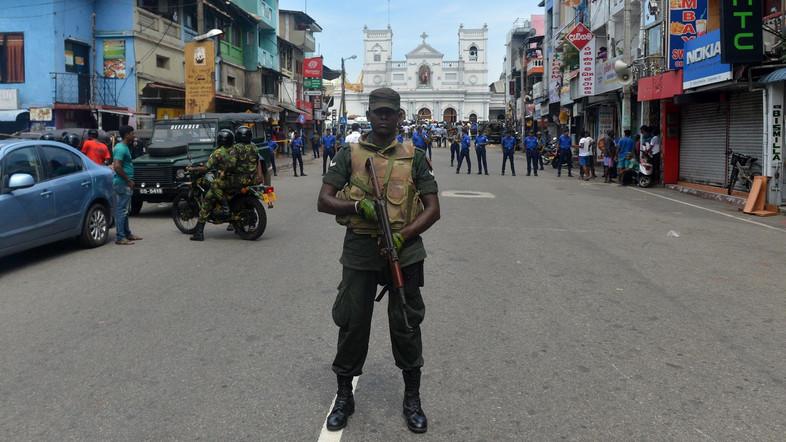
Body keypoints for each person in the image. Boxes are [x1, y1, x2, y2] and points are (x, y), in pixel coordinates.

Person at [317, 87, 440, 434]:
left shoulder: (414, 155)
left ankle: (412, 398)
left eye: (391, 113)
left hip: (406, 250)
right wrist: (358, 206)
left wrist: (403, 235)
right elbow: (324, 201)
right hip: (361, 249)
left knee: (406, 323)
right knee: (353, 322)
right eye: (378, 112)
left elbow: (433, 209)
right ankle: (344, 396)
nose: (384, 118)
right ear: (369, 114)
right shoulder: (350, 154)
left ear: (400, 116)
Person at [188, 129, 237, 241]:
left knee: (207, 200)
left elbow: (206, 168)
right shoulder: (235, 150)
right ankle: (232, 222)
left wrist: (193, 168)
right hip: (237, 180)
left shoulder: (218, 152)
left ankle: (199, 233)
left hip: (225, 181)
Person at [112, 125, 142, 245]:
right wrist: (128, 180)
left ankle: (127, 234)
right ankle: (120, 237)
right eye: (132, 133)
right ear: (127, 135)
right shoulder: (121, 148)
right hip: (122, 183)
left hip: (124, 182)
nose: (134, 136)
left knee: (124, 210)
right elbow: (117, 166)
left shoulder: (124, 147)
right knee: (121, 210)